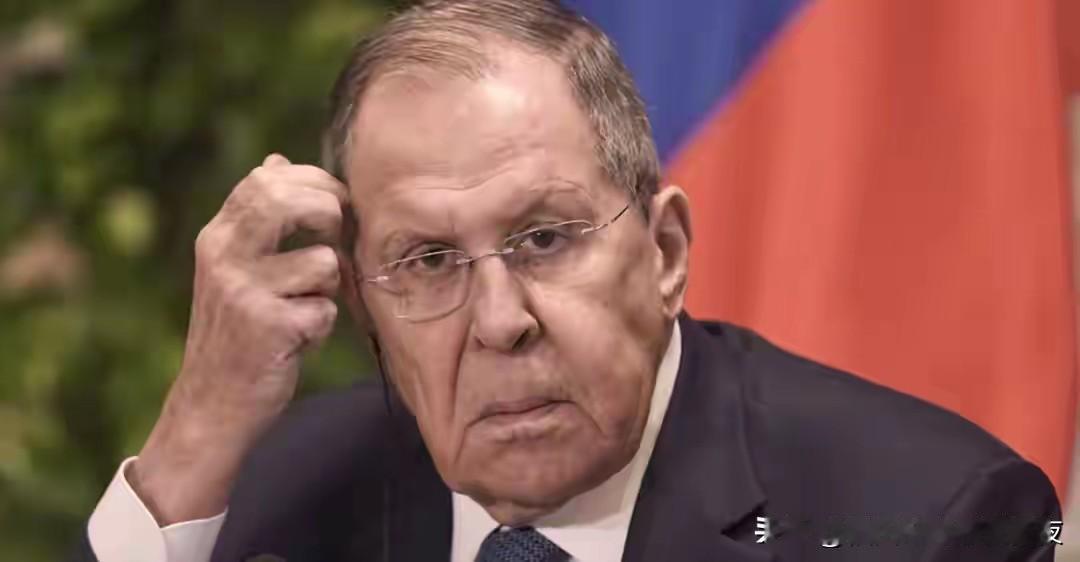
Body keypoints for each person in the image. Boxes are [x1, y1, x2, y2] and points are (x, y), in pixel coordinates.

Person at [70, 1, 1060, 561]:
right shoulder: (282, 491)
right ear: (365, 302)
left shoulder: (936, 521)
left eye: (544, 238)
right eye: (428, 261)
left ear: (664, 252)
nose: (500, 321)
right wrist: (195, 435)